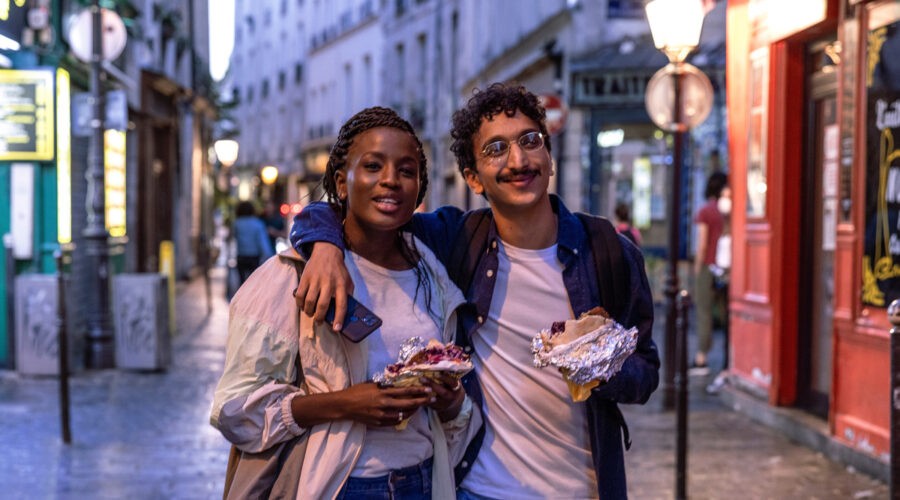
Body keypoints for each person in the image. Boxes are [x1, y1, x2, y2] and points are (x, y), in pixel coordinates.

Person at [291, 84, 659, 499]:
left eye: (530, 141)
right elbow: (355, 209)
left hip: (585, 488)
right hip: (480, 488)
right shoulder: (456, 240)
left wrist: (599, 365)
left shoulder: (607, 251)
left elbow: (645, 375)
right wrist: (324, 246)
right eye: (496, 149)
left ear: (550, 157)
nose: (518, 160)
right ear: (473, 178)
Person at [211, 107, 480, 499]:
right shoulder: (293, 274)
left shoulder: (436, 275)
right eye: (373, 166)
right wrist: (343, 404)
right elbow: (235, 411)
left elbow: (448, 422)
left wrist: (452, 402)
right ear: (342, 181)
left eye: (407, 171)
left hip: (423, 482)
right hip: (338, 485)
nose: (391, 180)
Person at [690, 171, 729, 375]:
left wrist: (697, 267)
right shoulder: (729, 212)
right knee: (726, 313)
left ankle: (701, 358)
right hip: (727, 268)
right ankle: (728, 359)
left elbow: (702, 244)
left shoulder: (705, 211)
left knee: (704, 312)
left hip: (707, 266)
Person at [232, 201, 275, 285]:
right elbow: (262, 242)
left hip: (241, 257)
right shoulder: (258, 224)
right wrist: (269, 257)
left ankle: (242, 297)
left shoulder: (237, 223)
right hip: (254, 258)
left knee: (242, 283)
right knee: (254, 283)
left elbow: (234, 239)